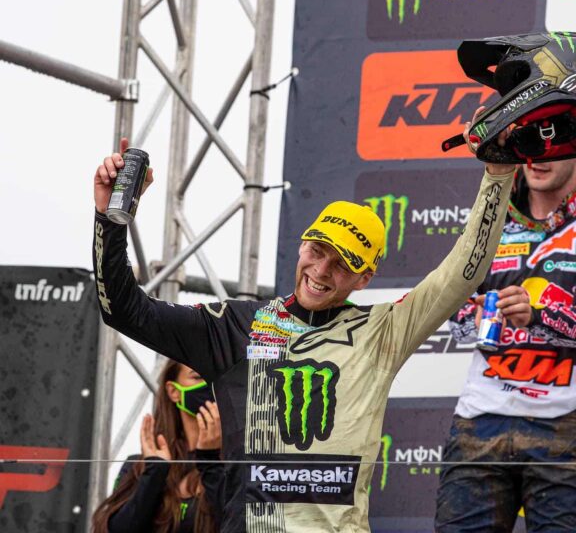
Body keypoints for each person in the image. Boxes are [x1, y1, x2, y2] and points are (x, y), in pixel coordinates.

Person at [93, 133, 515, 532]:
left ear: (364, 279)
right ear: (302, 245)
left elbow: (462, 274)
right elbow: (123, 310)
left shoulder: (381, 332)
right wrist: (110, 219)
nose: (321, 270)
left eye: (342, 264)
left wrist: (498, 173)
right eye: (317, 250)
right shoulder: (235, 325)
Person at [435, 158, 576, 532]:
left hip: (565, 424)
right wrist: (477, 314)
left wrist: (538, 316)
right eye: (528, 146)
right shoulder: (491, 221)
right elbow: (454, 321)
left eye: (551, 148)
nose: (538, 159)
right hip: (480, 420)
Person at [91, 359, 223, 533]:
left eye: (216, 377)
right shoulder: (139, 465)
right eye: (198, 377)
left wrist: (211, 460)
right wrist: (154, 474)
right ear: (173, 391)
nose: (210, 386)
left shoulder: (241, 464)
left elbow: (242, 521)